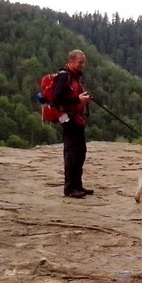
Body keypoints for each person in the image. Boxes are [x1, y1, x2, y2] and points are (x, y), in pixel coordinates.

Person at [52, 49, 93, 199]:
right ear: (71, 61)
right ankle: (70, 188)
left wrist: (83, 99)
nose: (82, 65)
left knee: (80, 153)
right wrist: (78, 100)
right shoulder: (64, 77)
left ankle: (77, 185)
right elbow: (56, 100)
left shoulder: (75, 77)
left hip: (77, 119)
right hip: (69, 120)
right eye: (80, 62)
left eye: (83, 62)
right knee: (72, 154)